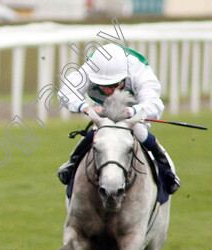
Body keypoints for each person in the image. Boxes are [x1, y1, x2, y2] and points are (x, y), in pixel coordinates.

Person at [57, 43, 180, 194]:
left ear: (124, 77)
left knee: (139, 130)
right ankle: (72, 163)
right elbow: (65, 93)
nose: (109, 91)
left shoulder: (139, 70)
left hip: (135, 107)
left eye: (114, 85)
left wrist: (130, 111)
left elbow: (154, 104)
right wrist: (86, 108)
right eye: (103, 85)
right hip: (104, 109)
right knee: (99, 130)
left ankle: (166, 168)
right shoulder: (91, 69)